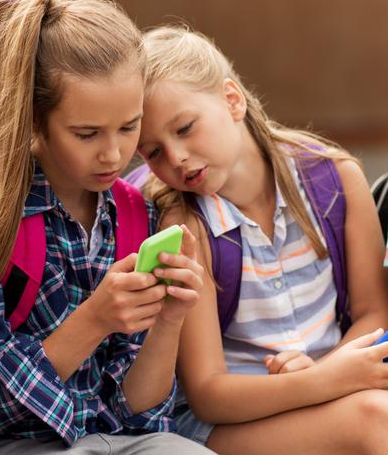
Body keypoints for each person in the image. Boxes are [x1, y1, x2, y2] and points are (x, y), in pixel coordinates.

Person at [0, 0, 212, 455]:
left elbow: (141, 415)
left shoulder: (135, 213)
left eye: (129, 127)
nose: (114, 154)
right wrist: (95, 320)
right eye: (86, 133)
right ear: (33, 120)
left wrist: (169, 321)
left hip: (117, 440)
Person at [135, 24, 388, 454]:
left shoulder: (337, 179)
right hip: (230, 423)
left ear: (231, 100)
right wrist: (324, 382)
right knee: (375, 419)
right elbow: (208, 393)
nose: (175, 157)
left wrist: (327, 372)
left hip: (333, 386)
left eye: (185, 128)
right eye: (152, 151)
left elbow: (373, 311)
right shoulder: (186, 228)